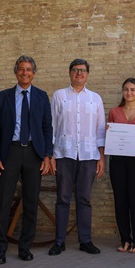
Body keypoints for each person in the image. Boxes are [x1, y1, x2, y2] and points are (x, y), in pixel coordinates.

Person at [0, 55, 53, 264]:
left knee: (31, 201)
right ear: (16, 72)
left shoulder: (42, 97)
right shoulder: (3, 97)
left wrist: (47, 155)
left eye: (29, 70)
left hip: (34, 154)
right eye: (21, 69)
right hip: (10, 153)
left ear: (34, 73)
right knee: (3, 202)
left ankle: (25, 247)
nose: (25, 73)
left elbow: (47, 128)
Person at [48, 59, 106, 257]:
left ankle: (85, 241)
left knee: (84, 199)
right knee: (62, 198)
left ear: (88, 74)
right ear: (70, 73)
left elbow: (100, 129)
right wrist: (51, 155)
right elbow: (52, 127)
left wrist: (101, 157)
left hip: (89, 155)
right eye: (75, 70)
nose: (79, 73)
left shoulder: (95, 99)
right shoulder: (59, 96)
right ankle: (59, 241)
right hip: (64, 154)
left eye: (82, 70)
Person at [107, 78, 135, 254]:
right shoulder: (114, 112)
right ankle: (125, 239)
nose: (129, 93)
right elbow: (110, 135)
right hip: (117, 160)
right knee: (120, 201)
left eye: (133, 89)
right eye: (126, 89)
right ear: (123, 92)